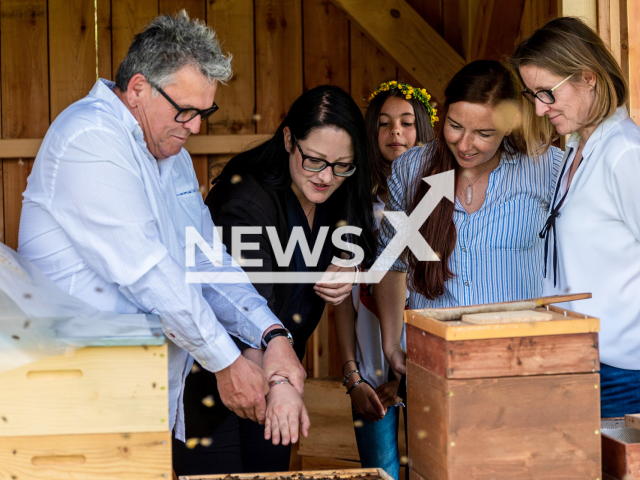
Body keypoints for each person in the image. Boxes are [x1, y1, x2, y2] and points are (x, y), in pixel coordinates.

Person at [17, 11, 305, 447]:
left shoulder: (172, 154)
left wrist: (270, 333)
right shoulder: (89, 138)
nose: (195, 126)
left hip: (134, 390)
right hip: (73, 387)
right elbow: (148, 272)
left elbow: (206, 260)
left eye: (204, 112)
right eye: (186, 110)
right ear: (137, 89)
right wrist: (227, 362)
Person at [174, 84, 377, 475]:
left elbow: (371, 235)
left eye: (342, 165)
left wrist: (352, 263)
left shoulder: (338, 189)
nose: (327, 177)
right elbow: (245, 307)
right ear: (288, 139)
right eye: (315, 160)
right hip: (216, 376)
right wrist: (281, 380)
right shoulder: (245, 201)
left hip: (277, 374)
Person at [373, 60, 564, 380]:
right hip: (433, 363)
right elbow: (391, 261)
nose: (464, 145)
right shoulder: (409, 169)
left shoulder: (546, 169)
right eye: (455, 126)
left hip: (522, 363)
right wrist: (391, 343)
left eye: (483, 133)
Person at [510, 17, 640, 418]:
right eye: (531, 94)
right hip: (579, 362)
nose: (538, 108)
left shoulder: (625, 153)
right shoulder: (574, 150)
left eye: (546, 92)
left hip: (625, 373)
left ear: (588, 77)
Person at [334, 81, 436, 480]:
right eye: (385, 123)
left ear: (424, 130)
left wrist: (406, 382)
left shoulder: (444, 203)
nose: (396, 132)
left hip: (425, 370)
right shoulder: (355, 204)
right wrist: (352, 375)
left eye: (407, 123)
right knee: (380, 473)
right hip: (371, 376)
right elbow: (342, 298)